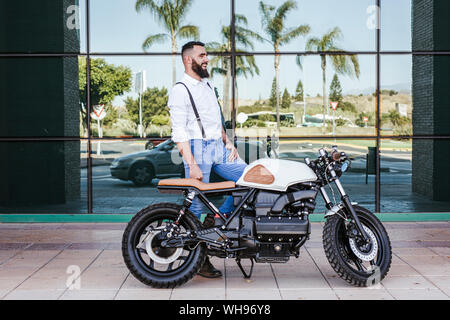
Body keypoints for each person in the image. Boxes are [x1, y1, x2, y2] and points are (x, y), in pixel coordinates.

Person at [168, 41, 247, 278]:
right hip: (196, 147)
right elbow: (179, 132)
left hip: (218, 146)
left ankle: (216, 220)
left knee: (249, 180)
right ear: (188, 59)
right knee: (195, 207)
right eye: (202, 55)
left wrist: (228, 142)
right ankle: (199, 260)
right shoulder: (180, 89)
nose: (207, 59)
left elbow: (215, 120)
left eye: (206, 55)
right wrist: (191, 164)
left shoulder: (208, 84)